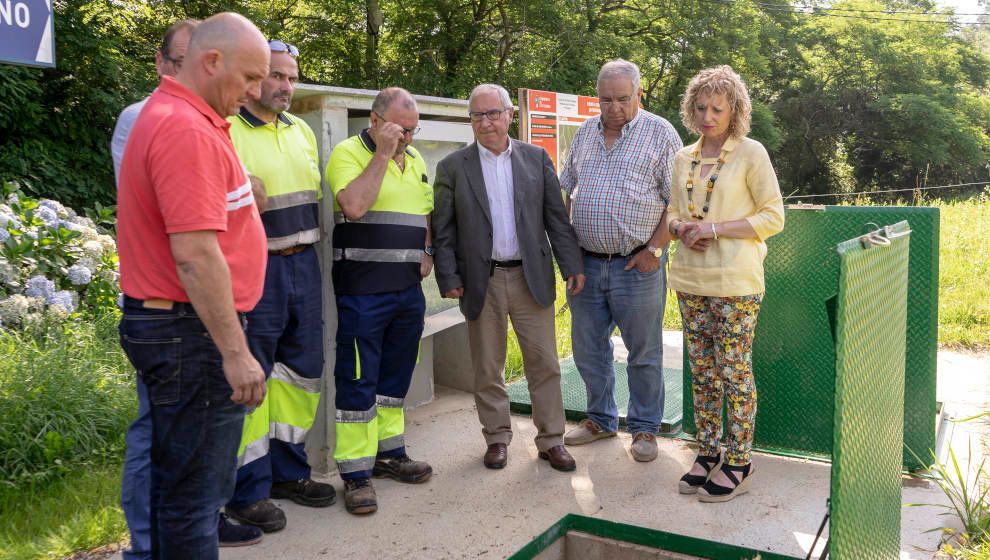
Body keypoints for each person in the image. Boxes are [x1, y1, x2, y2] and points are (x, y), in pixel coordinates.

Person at [116, 12, 270, 558]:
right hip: (191, 333)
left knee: (177, 487)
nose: (257, 92)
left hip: (178, 328)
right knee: (195, 500)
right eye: (251, 78)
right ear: (211, 62)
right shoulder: (184, 127)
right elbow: (197, 256)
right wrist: (235, 352)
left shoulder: (179, 116)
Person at [432, 84, 585, 472]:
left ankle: (552, 440)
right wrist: (447, 275)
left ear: (509, 115)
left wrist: (572, 266)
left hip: (528, 277)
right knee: (487, 367)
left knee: (544, 362)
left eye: (493, 113)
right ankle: (497, 437)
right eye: (477, 116)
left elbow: (556, 219)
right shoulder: (453, 167)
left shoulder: (536, 159)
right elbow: (444, 229)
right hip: (480, 280)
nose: (485, 123)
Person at [223, 39, 336, 532]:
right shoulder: (225, 129)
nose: (288, 86)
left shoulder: (301, 131)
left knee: (301, 373)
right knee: (252, 381)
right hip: (255, 268)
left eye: (292, 77)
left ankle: (288, 472)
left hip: (303, 263)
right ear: (251, 79)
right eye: (277, 76)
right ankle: (246, 492)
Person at [667, 65, 784, 502]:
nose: (707, 116)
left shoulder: (751, 154)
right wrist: (681, 229)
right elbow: (672, 214)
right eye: (700, 107)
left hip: (735, 283)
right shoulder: (683, 157)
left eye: (717, 108)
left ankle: (740, 460)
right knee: (702, 371)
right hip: (690, 279)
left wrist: (714, 230)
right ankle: (708, 450)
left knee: (734, 372)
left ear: (734, 110)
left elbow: (774, 216)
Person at [559, 59, 682, 462]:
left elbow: (677, 201)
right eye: (606, 99)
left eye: (622, 99)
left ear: (639, 94)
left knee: (643, 351)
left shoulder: (661, 133)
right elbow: (565, 190)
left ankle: (645, 429)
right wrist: (569, 254)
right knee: (588, 348)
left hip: (638, 264)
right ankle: (600, 419)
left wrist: (655, 250)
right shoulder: (583, 134)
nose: (613, 108)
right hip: (587, 263)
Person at [325, 87, 434, 515]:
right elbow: (353, 205)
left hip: (407, 289)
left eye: (412, 129)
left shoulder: (418, 157)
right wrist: (383, 154)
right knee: (358, 378)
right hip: (362, 291)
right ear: (374, 122)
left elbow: (425, 207)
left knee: (395, 377)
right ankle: (355, 475)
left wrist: (428, 251)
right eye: (399, 129)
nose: (407, 137)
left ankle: (391, 454)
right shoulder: (348, 154)